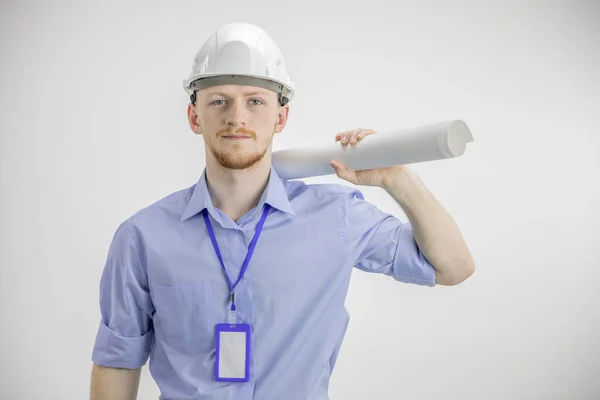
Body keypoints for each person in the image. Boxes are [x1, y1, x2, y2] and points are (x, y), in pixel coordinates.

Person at [89, 22, 475, 400]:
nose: (237, 117)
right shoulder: (142, 237)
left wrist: (397, 178)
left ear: (280, 117)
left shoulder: (336, 217)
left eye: (255, 101)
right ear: (195, 117)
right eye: (218, 100)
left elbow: (453, 267)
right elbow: (118, 361)